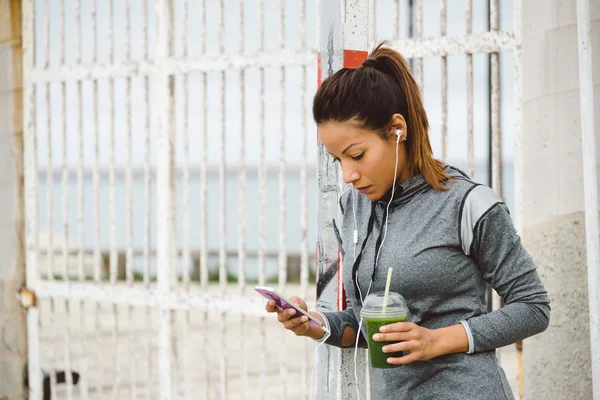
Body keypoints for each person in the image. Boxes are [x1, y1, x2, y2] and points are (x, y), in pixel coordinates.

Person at [265, 42, 550, 400]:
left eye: (357, 155)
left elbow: (533, 308)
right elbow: (365, 326)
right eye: (338, 160)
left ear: (397, 129)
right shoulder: (350, 211)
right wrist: (314, 326)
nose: (348, 174)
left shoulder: (468, 204)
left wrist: (436, 340)